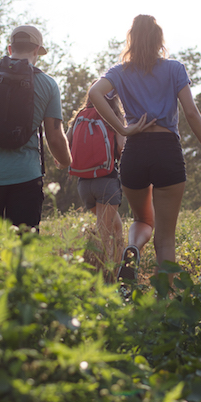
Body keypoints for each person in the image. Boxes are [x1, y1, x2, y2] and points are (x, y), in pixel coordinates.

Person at [88, 14, 201, 285]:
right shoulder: (174, 69)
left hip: (135, 152)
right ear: (159, 40)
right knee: (166, 236)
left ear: (131, 40)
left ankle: (133, 248)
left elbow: (94, 93)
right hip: (166, 150)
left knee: (142, 220)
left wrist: (124, 129)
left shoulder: (119, 71)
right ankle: (165, 299)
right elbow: (192, 113)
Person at [0, 25, 71, 234]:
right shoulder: (48, 84)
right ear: (36, 50)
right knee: (23, 250)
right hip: (27, 177)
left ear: (10, 49)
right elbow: (55, 137)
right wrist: (66, 161)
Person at [66, 89, 126, 268]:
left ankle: (121, 264)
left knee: (116, 227)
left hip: (84, 184)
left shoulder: (80, 116)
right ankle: (103, 275)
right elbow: (122, 147)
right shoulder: (114, 117)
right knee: (103, 236)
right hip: (106, 180)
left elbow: (65, 141)